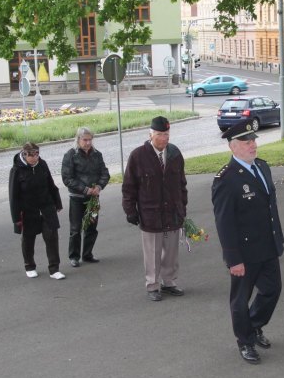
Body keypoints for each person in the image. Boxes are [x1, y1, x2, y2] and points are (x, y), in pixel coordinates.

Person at [211, 120, 284, 365]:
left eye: (253, 140)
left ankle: (253, 326)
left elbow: (270, 209)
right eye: (246, 142)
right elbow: (224, 223)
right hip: (244, 252)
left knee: (272, 290)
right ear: (232, 146)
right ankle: (245, 341)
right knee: (240, 300)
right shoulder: (226, 179)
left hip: (268, 245)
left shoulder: (262, 167)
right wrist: (233, 258)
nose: (252, 145)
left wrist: (277, 238)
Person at [122, 116, 188, 302]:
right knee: (152, 252)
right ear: (150, 135)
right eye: (160, 134)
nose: (164, 138)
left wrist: (182, 206)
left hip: (173, 212)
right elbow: (129, 186)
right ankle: (152, 285)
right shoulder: (138, 156)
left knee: (171, 251)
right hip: (150, 213)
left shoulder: (175, 153)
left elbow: (181, 183)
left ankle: (169, 282)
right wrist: (130, 210)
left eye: (166, 134)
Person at [8, 142, 65, 280]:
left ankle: (54, 269)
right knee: (28, 239)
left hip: (47, 207)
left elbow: (51, 184)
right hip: (28, 210)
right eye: (31, 155)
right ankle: (29, 266)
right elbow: (13, 196)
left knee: (51, 237)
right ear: (24, 154)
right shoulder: (16, 170)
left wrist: (57, 202)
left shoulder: (42, 164)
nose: (35, 158)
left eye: (37, 154)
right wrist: (16, 218)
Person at [61, 127, 110, 267]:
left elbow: (105, 173)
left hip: (93, 199)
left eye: (90, 140)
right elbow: (67, 178)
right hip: (77, 198)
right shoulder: (70, 155)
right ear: (78, 139)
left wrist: (99, 186)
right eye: (85, 140)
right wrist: (85, 189)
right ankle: (74, 257)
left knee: (92, 227)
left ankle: (87, 254)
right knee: (75, 229)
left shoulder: (97, 154)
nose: (88, 143)